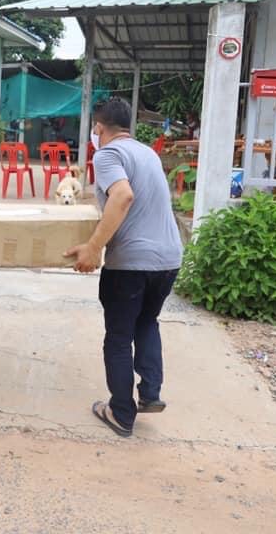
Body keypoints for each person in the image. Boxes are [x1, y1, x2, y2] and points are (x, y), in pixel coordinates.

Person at [65, 97, 183, 438]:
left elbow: (122, 196)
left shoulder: (107, 154)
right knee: (146, 321)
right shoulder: (147, 153)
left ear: (99, 128)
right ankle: (150, 394)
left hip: (132, 264)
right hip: (169, 259)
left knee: (118, 337)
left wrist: (93, 247)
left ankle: (120, 413)